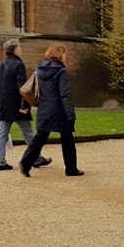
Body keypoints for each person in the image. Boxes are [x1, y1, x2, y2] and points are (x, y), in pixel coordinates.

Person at [19, 44, 84, 177]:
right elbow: (65, 94)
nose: (66, 56)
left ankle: (26, 162)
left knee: (40, 137)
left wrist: (25, 104)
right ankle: (71, 168)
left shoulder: (39, 69)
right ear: (60, 54)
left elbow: (31, 88)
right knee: (67, 138)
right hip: (59, 109)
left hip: (44, 108)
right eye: (65, 54)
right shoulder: (61, 71)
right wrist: (70, 115)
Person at [0, 38, 51, 171]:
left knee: (2, 133)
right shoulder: (19, 65)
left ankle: (0, 162)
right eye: (19, 48)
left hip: (3, 106)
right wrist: (24, 105)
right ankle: (36, 158)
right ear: (15, 50)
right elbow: (23, 88)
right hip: (17, 106)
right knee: (29, 133)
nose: (21, 50)